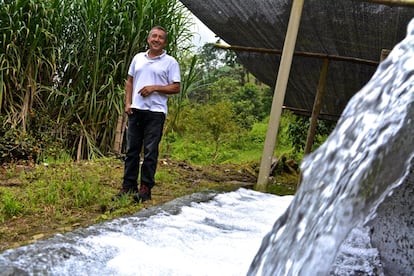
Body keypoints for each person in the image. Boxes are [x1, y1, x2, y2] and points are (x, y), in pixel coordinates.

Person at [116, 26, 181, 203]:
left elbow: (176, 87)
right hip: (136, 110)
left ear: (165, 42)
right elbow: (130, 82)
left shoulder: (170, 62)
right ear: (148, 39)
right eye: (154, 36)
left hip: (156, 112)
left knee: (150, 151)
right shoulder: (138, 58)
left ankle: (145, 189)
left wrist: (154, 88)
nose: (157, 39)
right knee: (132, 151)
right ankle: (128, 187)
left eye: (160, 37)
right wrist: (128, 103)